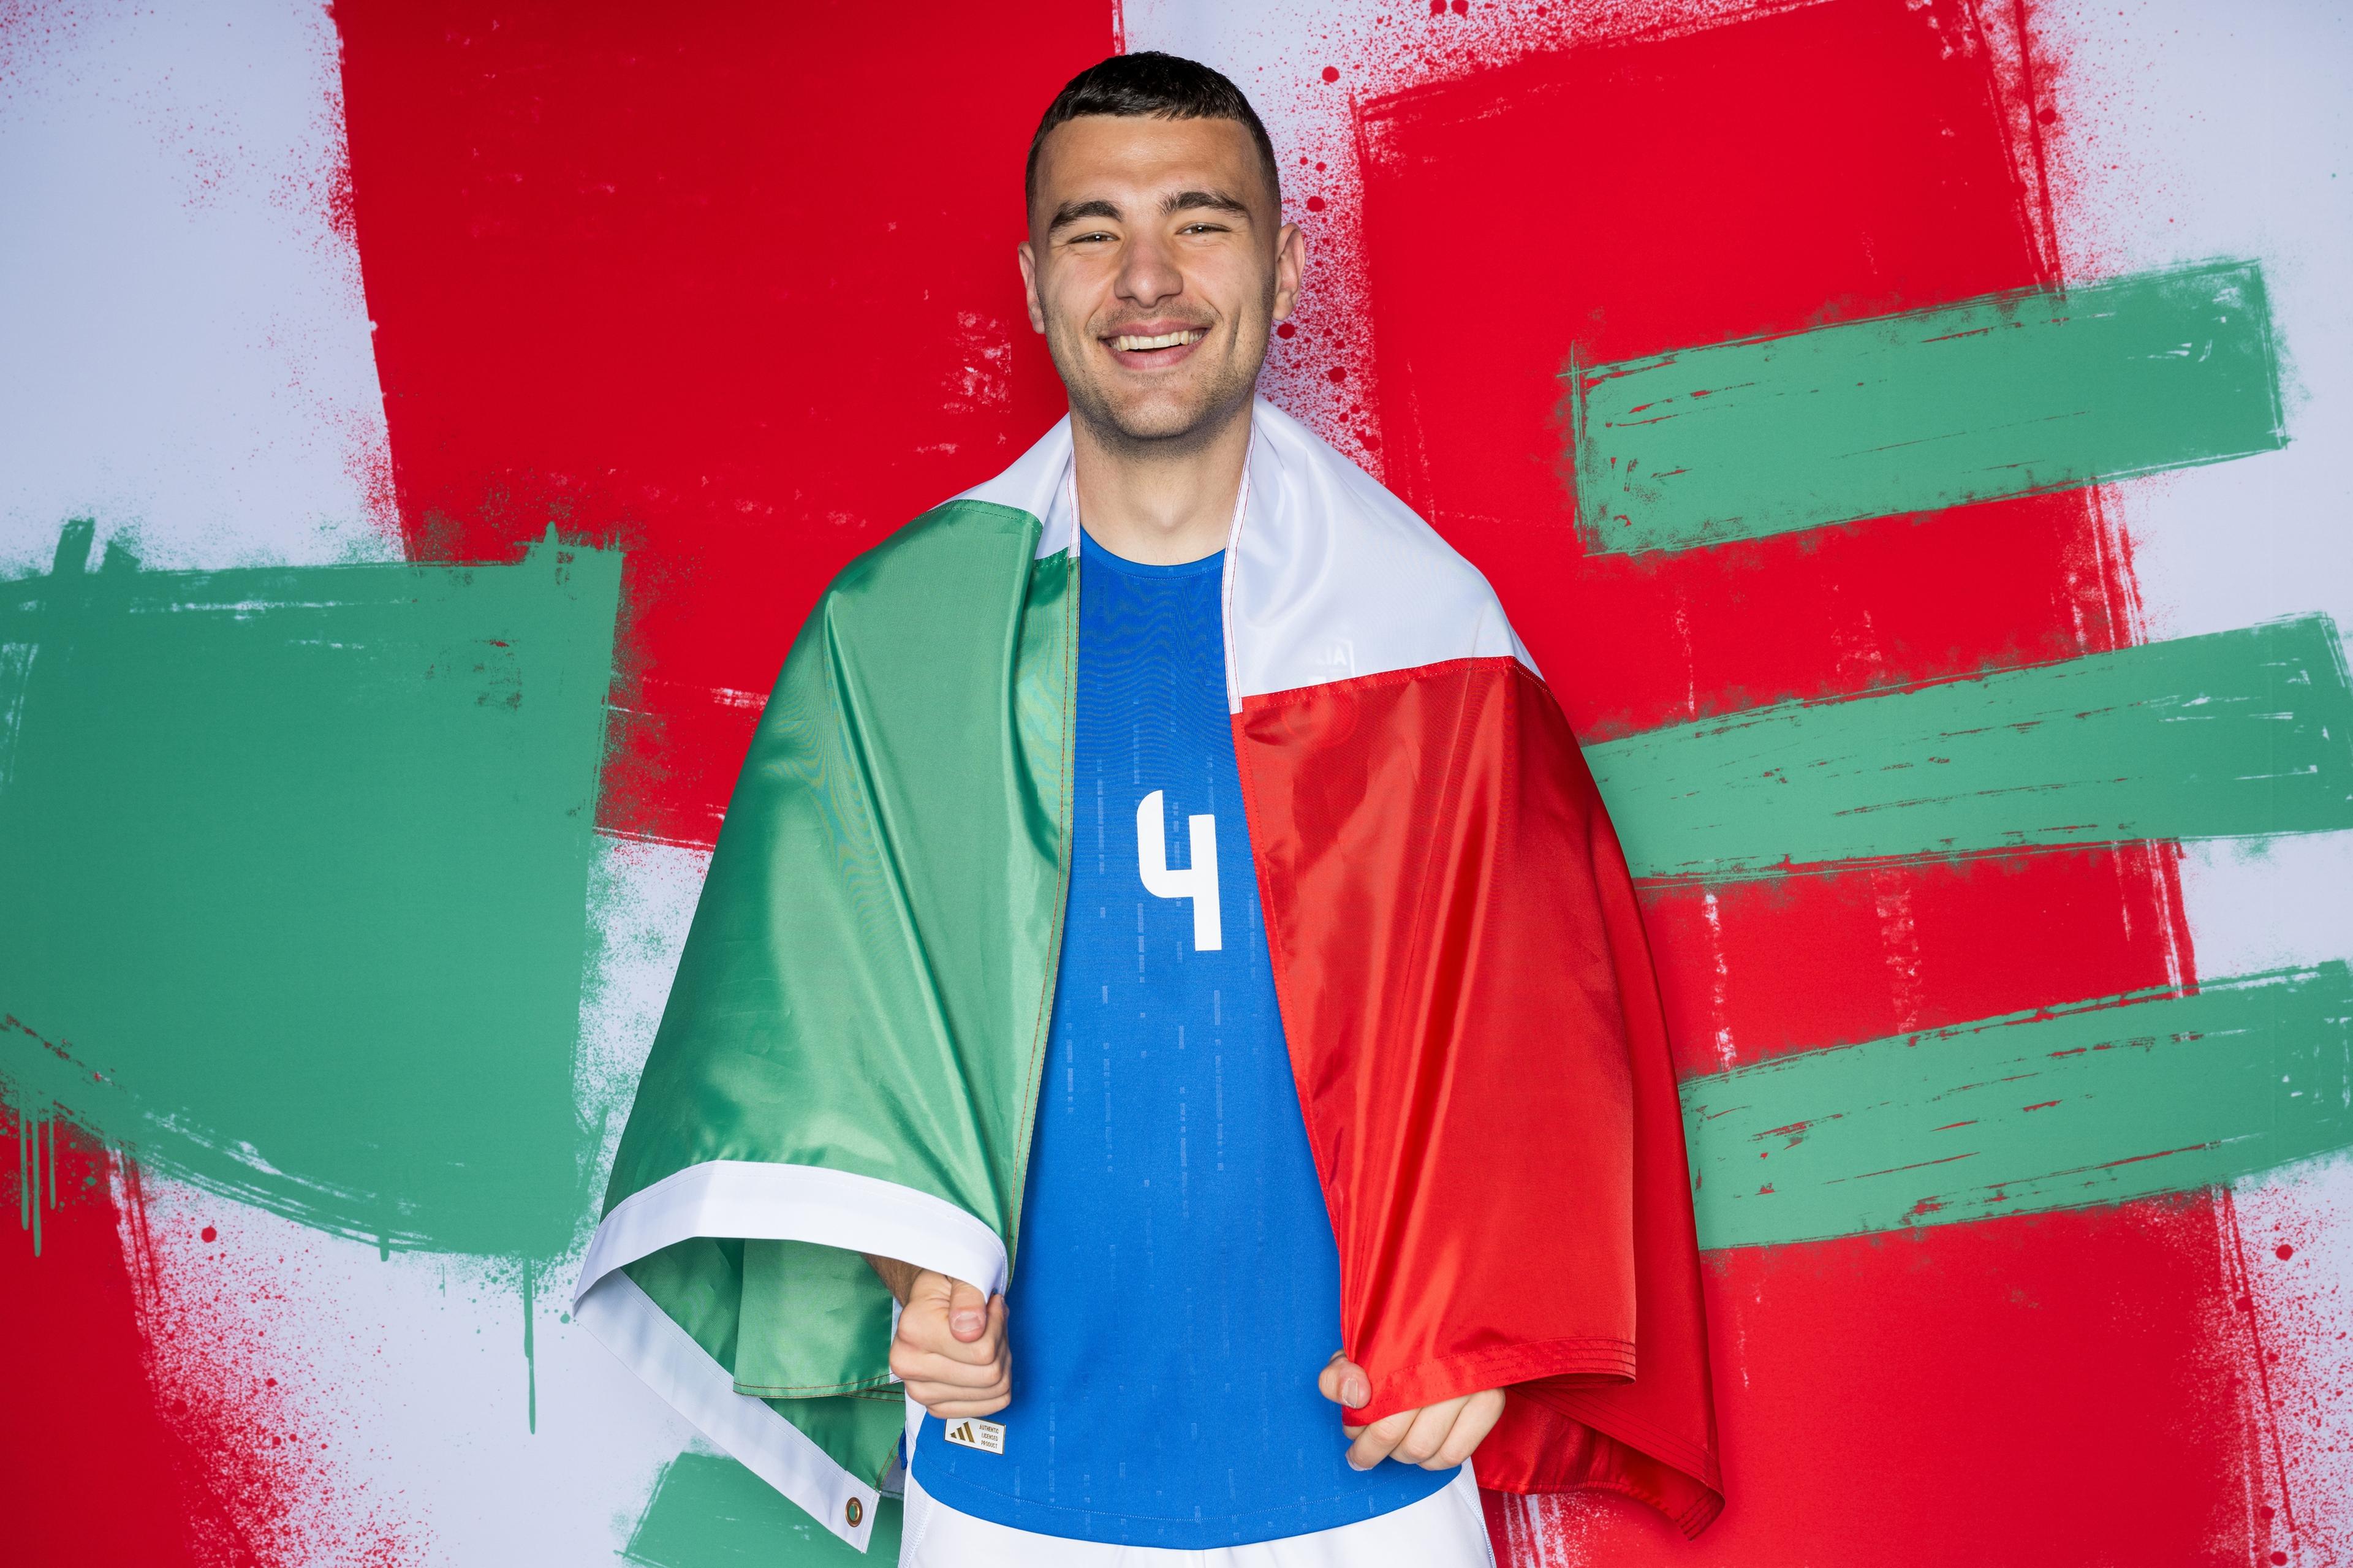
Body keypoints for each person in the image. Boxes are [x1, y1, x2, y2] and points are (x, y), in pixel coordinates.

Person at [575, 51, 1722, 1565]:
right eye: (1093, 229)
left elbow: (1539, 1017)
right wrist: (908, 1271)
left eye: (1201, 220)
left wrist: (1492, 1316)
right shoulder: (904, 632)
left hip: (1359, 1495)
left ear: (1286, 263)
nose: (1148, 277)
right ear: (1036, 279)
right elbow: (822, 1031)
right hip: (1013, 1490)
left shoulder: (1425, 631)